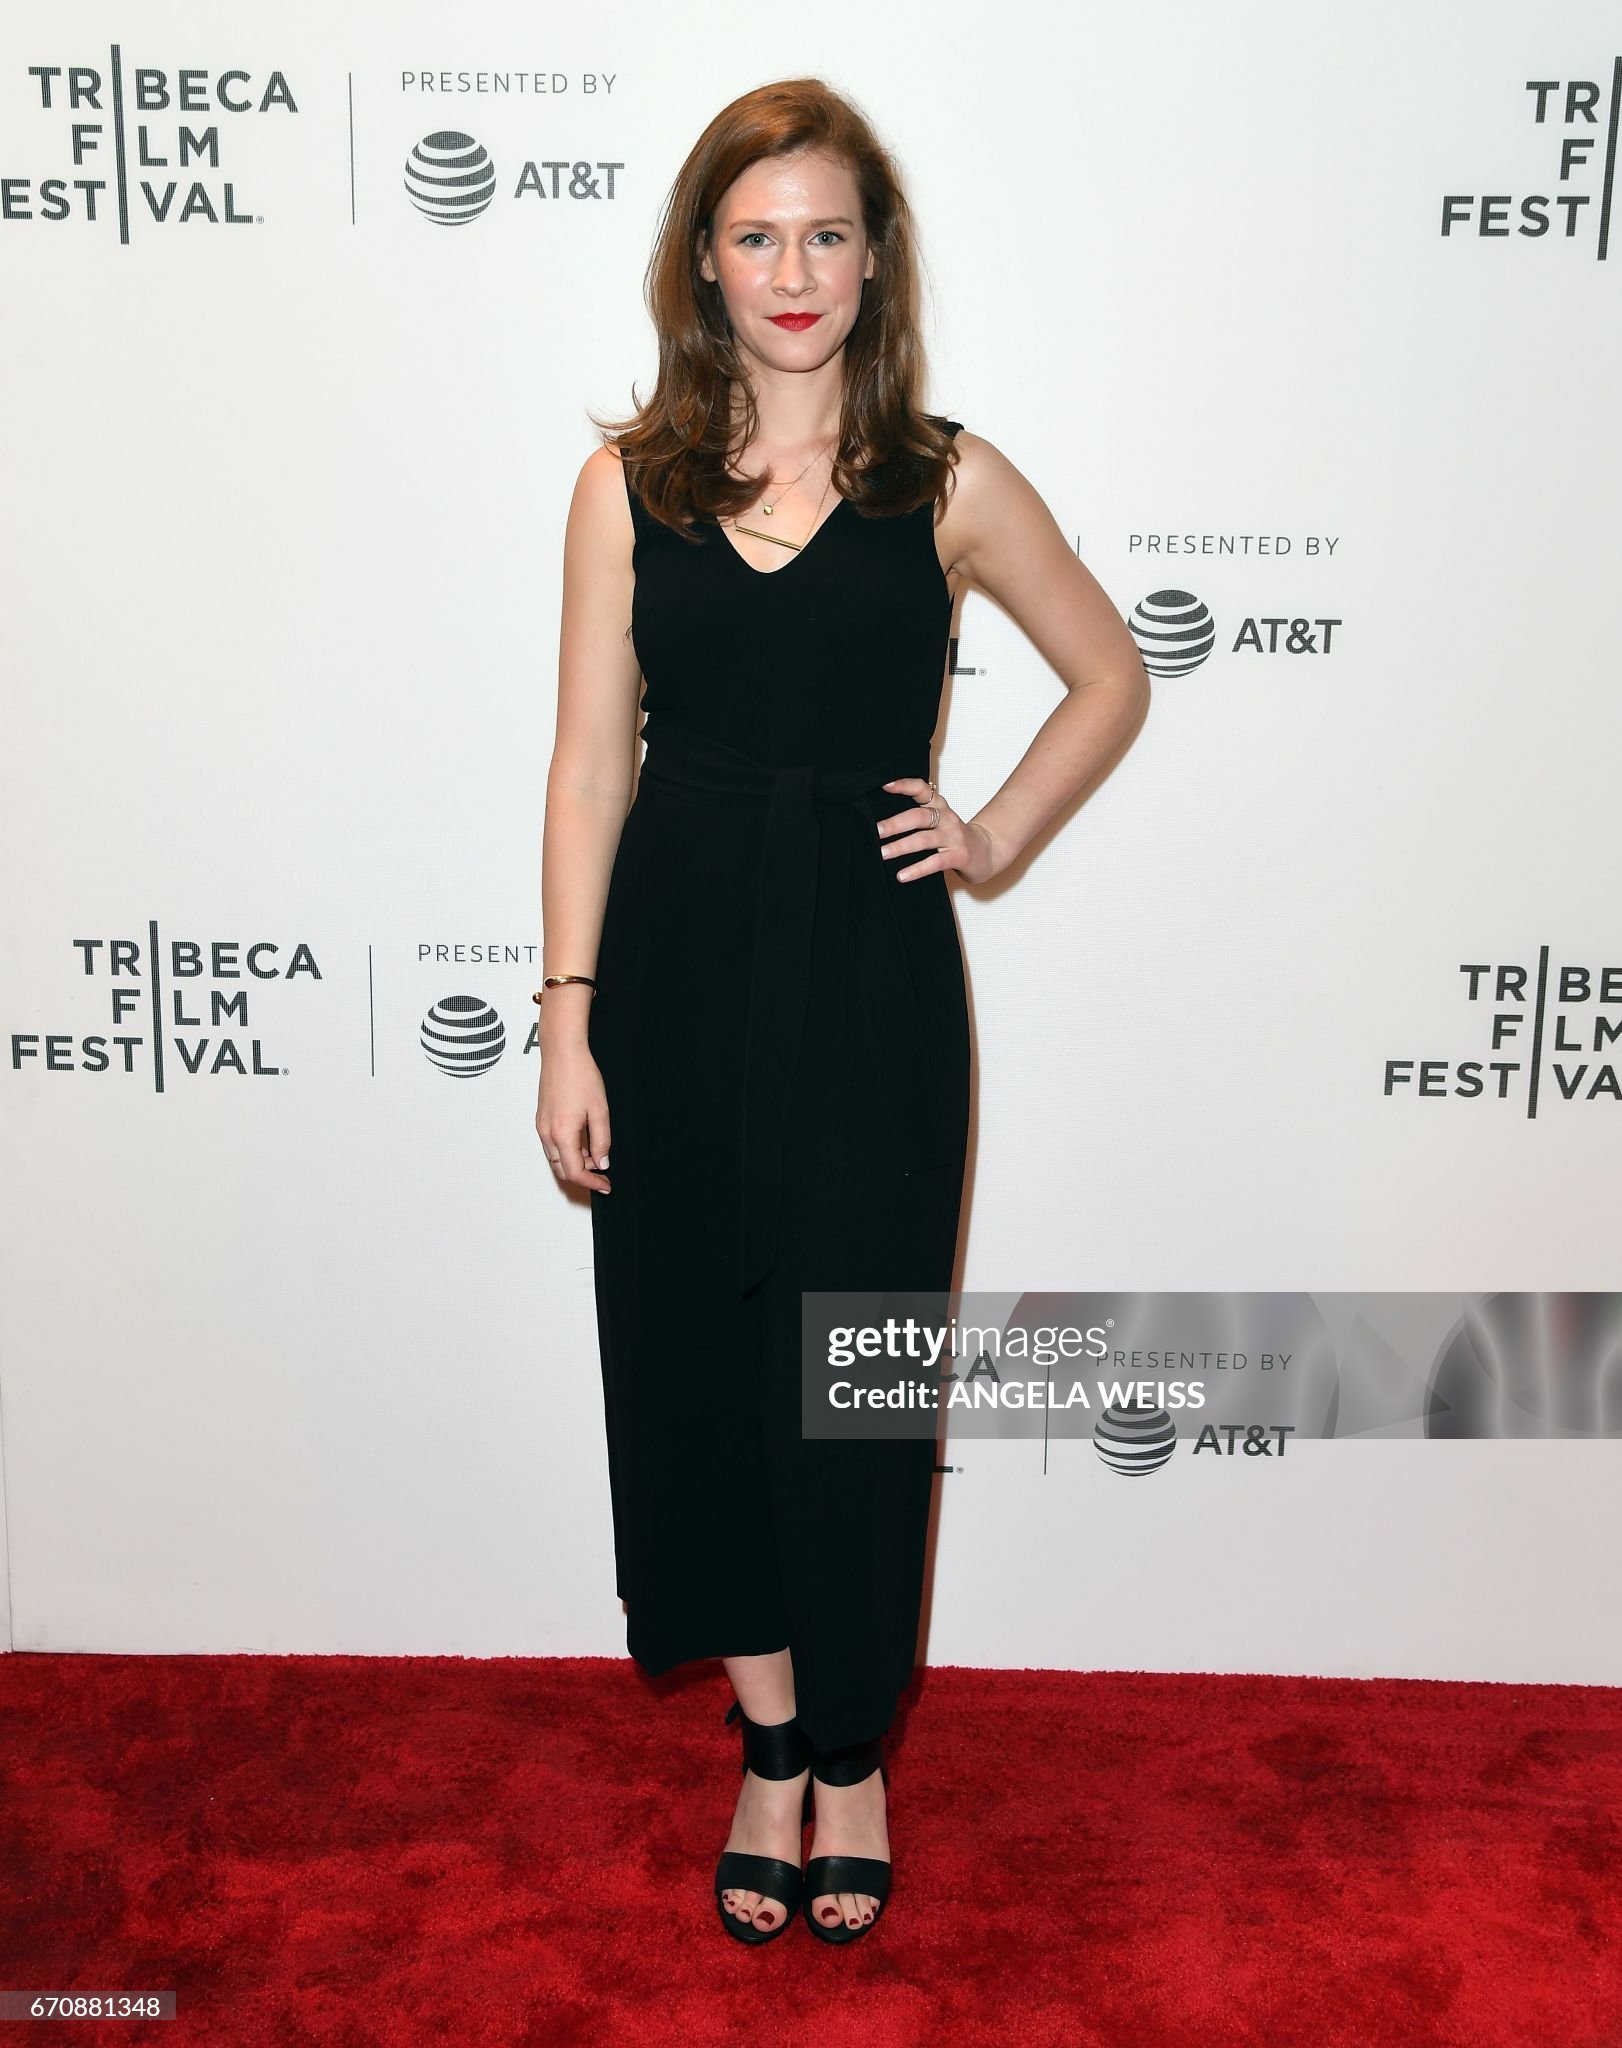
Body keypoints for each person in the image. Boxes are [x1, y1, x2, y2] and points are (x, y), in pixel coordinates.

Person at [536, 77, 1149, 1947]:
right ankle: (770, 1740)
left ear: (873, 261)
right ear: (702, 264)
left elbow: (1109, 673)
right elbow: (588, 768)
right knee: (694, 1369)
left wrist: (992, 835)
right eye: (755, 234)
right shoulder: (626, 488)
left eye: (824, 232)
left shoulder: (944, 483)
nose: (791, 269)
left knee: (853, 1378)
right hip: (672, 971)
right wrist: (565, 1020)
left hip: (873, 988)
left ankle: (856, 1753)